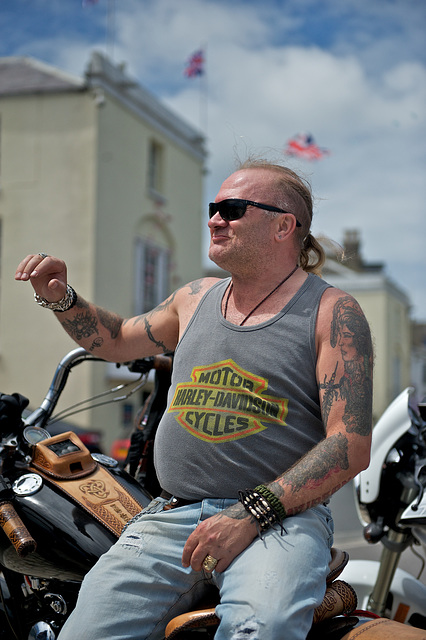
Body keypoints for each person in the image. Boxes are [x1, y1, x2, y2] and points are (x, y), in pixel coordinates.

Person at [15, 160, 373, 640]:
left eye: (232, 209)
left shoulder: (333, 311)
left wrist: (251, 514)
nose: (214, 220)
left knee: (260, 630)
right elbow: (118, 339)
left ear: (284, 225)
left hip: (280, 521)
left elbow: (349, 443)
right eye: (213, 208)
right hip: (172, 516)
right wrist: (62, 297)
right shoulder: (195, 297)